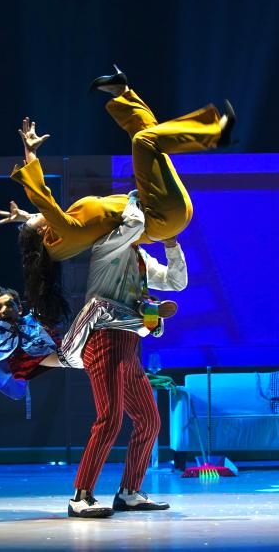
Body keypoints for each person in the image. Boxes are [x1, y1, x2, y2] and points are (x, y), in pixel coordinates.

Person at [0, 66, 235, 262]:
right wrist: (30, 152)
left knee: (146, 136)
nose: (35, 216)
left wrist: (25, 217)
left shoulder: (62, 235)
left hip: (159, 212)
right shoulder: (63, 233)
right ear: (42, 232)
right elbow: (42, 198)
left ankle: (122, 92)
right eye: (34, 220)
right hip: (159, 216)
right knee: (144, 142)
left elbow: (44, 217)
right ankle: (215, 133)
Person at [66, 190, 187, 519]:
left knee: (149, 420)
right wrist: (134, 198)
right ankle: (80, 496)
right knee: (109, 419)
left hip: (130, 343)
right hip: (103, 338)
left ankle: (129, 492)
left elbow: (176, 282)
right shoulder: (106, 247)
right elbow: (133, 223)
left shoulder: (140, 257)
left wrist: (171, 243)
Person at [0, 266, 172, 401]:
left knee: (105, 327)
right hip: (65, 356)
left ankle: (148, 325)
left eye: (8, 305)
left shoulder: (32, 320)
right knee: (96, 306)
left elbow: (43, 289)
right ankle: (146, 316)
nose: (3, 310)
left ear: (19, 308)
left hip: (72, 353)